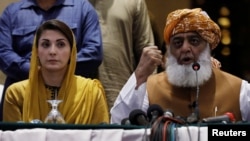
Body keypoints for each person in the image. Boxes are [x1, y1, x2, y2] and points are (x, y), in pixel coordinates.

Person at [110, 8, 250, 124]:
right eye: (178, 42)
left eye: (194, 41)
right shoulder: (149, 87)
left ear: (209, 47)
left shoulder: (240, 90)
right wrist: (140, 75)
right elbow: (118, 125)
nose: (185, 48)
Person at [0, 0, 103, 120]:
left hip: (75, 99)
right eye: (45, 45)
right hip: (25, 98)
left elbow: (94, 52)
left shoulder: (83, 9)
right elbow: (3, 53)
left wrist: (60, 70)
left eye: (60, 45)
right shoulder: (12, 12)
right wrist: (37, 71)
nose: (52, 51)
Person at [88, 0, 156, 110]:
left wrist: (147, 102)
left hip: (122, 94)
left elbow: (148, 54)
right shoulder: (70, 3)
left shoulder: (134, 2)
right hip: (81, 97)